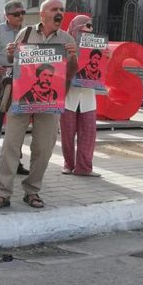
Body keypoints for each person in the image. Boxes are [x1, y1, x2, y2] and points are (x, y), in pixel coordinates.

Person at [0, 0, 77, 210]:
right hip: (22, 98)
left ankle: (32, 191)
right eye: (55, 9)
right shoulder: (26, 33)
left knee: (43, 148)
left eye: (61, 10)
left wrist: (72, 57)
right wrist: (11, 52)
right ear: (43, 13)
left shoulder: (67, 38)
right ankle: (3, 193)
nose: (59, 13)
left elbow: (72, 73)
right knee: (11, 145)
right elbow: (15, 62)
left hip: (50, 102)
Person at [0, 0, 30, 176]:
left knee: (17, 125)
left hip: (21, 84)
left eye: (23, 13)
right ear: (7, 16)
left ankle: (15, 161)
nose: (21, 17)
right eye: (16, 14)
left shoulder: (29, 33)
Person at [60, 15, 100, 177]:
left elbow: (101, 72)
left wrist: (106, 58)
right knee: (68, 133)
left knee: (89, 132)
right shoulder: (65, 44)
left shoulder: (96, 47)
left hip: (88, 98)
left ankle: (84, 167)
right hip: (69, 96)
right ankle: (68, 164)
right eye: (86, 26)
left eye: (91, 26)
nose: (90, 29)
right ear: (77, 27)